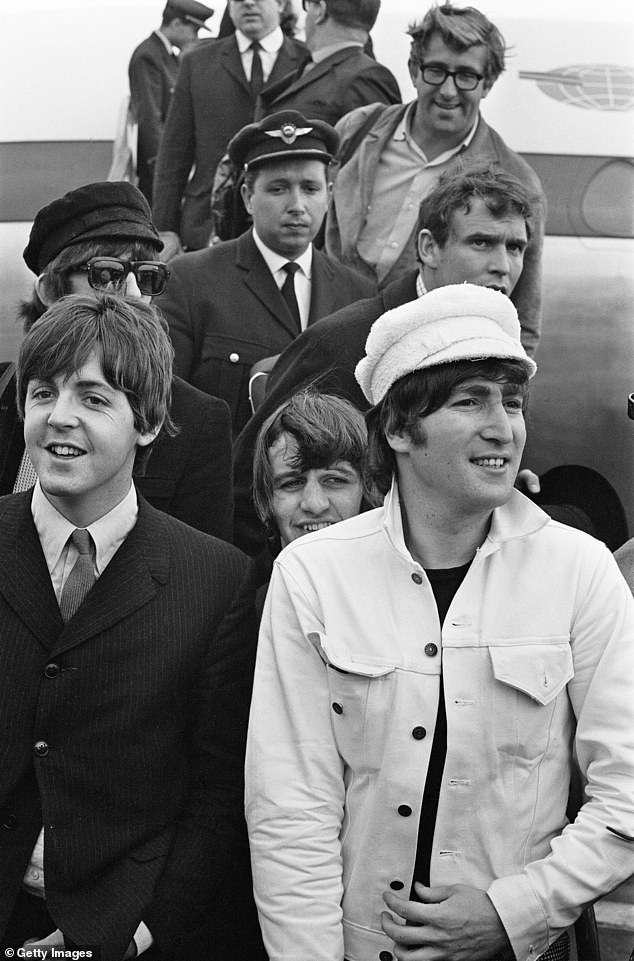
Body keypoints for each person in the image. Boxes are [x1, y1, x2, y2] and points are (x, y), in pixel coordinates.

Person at [245, 283, 634, 961]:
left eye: (511, 402)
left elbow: (626, 793)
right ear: (398, 429)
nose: (503, 426)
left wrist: (513, 911)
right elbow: (291, 811)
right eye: (470, 400)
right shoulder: (313, 574)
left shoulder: (581, 570)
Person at [0, 294, 262, 960]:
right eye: (42, 393)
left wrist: (139, 929)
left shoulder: (215, 580)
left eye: (93, 398)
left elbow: (215, 790)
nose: (59, 417)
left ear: (146, 422)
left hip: (121, 930)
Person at [233, 162, 538, 553]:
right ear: (429, 247)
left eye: (516, 247)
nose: (503, 265)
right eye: (481, 242)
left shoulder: (501, 352)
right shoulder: (344, 342)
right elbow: (249, 487)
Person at [9, 181, 234, 540]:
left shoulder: (197, 421)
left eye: (146, 277)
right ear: (51, 290)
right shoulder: (5, 394)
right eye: (107, 275)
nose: (132, 294)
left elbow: (201, 577)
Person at [324, 3, 545, 345]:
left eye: (466, 76)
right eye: (436, 71)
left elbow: (523, 318)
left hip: (424, 363)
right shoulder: (357, 129)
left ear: (487, 83)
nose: (448, 91)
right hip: (331, 341)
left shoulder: (512, 179)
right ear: (414, 69)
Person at [159, 110, 375, 435]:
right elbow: (167, 411)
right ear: (248, 197)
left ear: (330, 195)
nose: (297, 205)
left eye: (310, 189)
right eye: (278, 189)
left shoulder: (358, 295)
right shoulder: (190, 282)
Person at [152, 0, 308, 255]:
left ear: (281, 4)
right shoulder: (197, 64)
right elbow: (173, 155)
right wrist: (164, 229)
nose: (247, 3)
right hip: (206, 228)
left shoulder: (307, 63)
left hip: (287, 226)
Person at [255, 0, 401, 126]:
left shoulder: (365, 78)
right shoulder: (313, 69)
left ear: (320, 10)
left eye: (308, 5)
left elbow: (371, 153)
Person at [128, 0, 214, 204]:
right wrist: (162, 167)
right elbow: (150, 117)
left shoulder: (167, 56)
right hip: (157, 169)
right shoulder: (148, 55)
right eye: (194, 30)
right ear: (176, 24)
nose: (196, 37)